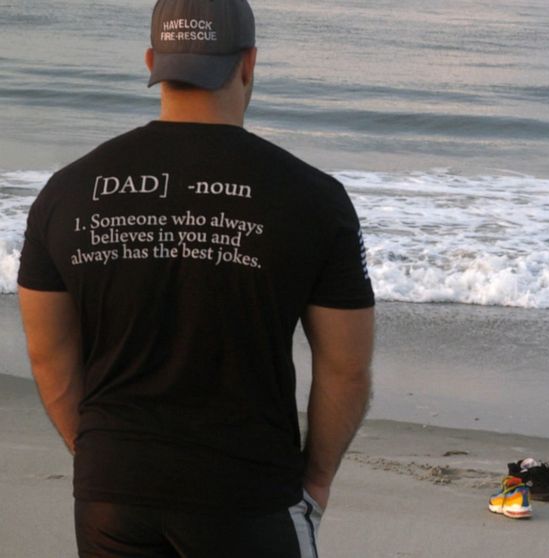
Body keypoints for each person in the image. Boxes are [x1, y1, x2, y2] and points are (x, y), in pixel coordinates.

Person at [17, 0, 374, 556]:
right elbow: (345, 369)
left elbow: (48, 357)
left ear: (152, 61)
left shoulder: (65, 193)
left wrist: (102, 455)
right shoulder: (311, 199)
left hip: (111, 493)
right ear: (249, 63)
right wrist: (318, 481)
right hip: (247, 492)